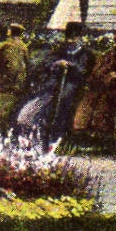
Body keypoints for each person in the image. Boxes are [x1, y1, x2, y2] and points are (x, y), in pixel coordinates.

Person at [15, 21, 91, 151]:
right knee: (39, 100)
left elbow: (83, 71)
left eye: (75, 38)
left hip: (73, 84)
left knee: (62, 100)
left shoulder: (85, 54)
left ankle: (55, 137)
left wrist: (71, 66)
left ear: (80, 38)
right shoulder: (59, 50)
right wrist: (55, 64)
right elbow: (45, 63)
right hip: (53, 84)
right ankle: (33, 133)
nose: (71, 41)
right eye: (69, 38)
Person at [71, 27, 116, 136]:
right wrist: (105, 72)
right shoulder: (108, 56)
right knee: (89, 99)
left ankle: (102, 133)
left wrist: (115, 77)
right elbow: (96, 73)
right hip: (100, 86)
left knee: (105, 102)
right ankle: (81, 130)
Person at [0, 22, 30, 134]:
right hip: (18, 88)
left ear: (9, 32)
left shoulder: (3, 46)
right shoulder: (24, 48)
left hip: (2, 89)